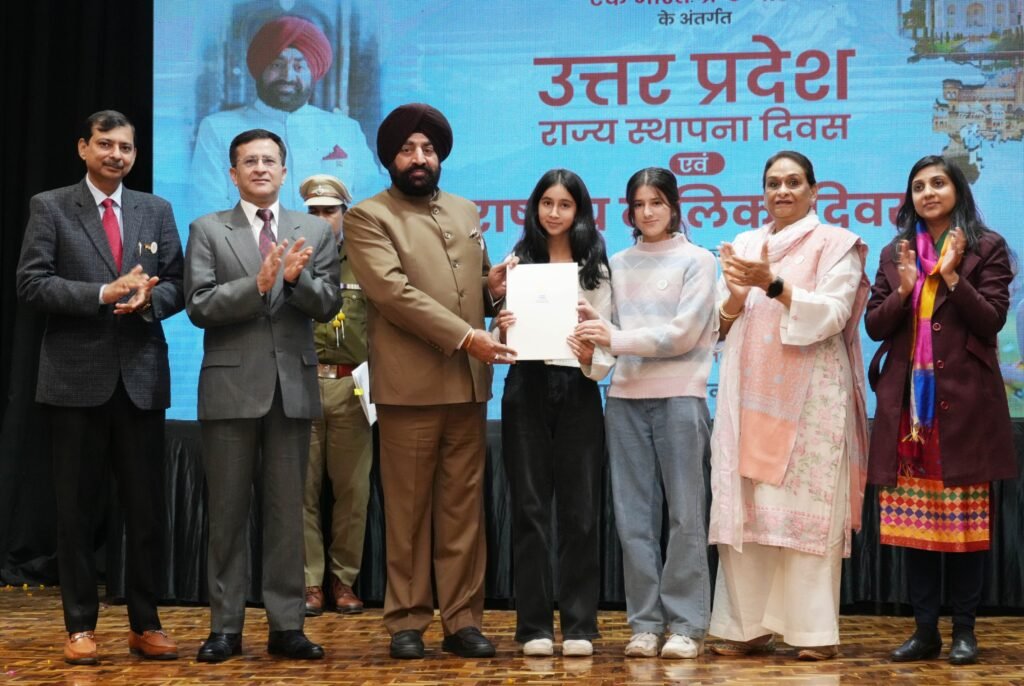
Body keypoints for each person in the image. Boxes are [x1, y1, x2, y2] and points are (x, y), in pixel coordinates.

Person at [343, 103, 516, 660]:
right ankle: (407, 621)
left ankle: (463, 620)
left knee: (463, 511)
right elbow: (393, 294)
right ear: (390, 158)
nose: (419, 158)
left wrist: (493, 290)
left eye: (428, 149)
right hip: (409, 389)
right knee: (409, 512)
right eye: (407, 149)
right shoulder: (368, 216)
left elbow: (471, 287)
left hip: (468, 386)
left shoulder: (465, 209)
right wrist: (467, 337)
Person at [16, 109, 184, 665]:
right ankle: (80, 627)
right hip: (74, 381)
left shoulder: (155, 209)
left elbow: (178, 283)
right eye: (106, 144)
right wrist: (102, 294)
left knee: (146, 512)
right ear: (83, 148)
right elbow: (31, 284)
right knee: (76, 512)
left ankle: (146, 623)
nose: (116, 155)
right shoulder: (50, 206)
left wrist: (149, 299)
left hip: (141, 378)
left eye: (126, 147)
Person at [184, 128, 342, 662]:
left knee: (286, 515)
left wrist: (294, 282)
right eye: (249, 161)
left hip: (291, 388)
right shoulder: (208, 229)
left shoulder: (313, 231)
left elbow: (328, 303)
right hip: (230, 388)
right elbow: (199, 305)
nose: (259, 168)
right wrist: (257, 284)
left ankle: (287, 626)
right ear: (233, 173)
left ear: (284, 170)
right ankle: (225, 628)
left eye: (269, 160)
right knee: (227, 515)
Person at [706, 151, 870, 661]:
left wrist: (772, 285)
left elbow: (834, 313)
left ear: (814, 191)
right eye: (773, 183)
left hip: (811, 403)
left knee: (806, 514)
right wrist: (736, 296)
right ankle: (745, 628)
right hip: (747, 396)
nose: (783, 191)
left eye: (794, 182)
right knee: (749, 515)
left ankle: (812, 633)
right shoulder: (747, 244)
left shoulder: (836, 244)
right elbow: (720, 322)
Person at [865, 155, 1016, 666]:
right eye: (918, 186)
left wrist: (951, 277)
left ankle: (964, 632)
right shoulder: (896, 253)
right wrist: (905, 289)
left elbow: (991, 320)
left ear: (957, 191)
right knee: (916, 530)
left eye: (938, 183)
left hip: (965, 408)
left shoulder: (987, 246)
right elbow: (875, 326)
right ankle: (925, 630)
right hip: (911, 415)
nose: (928, 193)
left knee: (965, 530)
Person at [575, 167, 717, 660]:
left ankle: (687, 625)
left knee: (685, 516)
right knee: (633, 520)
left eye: (657, 202)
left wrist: (614, 339)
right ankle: (645, 624)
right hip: (624, 400)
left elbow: (682, 335)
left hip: (681, 396)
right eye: (639, 204)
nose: (648, 212)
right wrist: (590, 350)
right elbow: (606, 343)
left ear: (674, 206)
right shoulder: (617, 263)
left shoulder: (699, 260)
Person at [492, 169, 612, 658]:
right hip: (526, 387)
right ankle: (534, 626)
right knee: (529, 510)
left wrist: (591, 347)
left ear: (579, 210)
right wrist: (501, 326)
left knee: (581, 512)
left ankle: (581, 625)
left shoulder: (596, 265)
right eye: (547, 203)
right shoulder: (517, 262)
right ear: (535, 207)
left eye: (565, 204)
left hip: (578, 388)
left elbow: (607, 344)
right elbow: (501, 342)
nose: (555, 213)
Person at [191, 15, 381, 214]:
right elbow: (208, 210)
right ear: (261, 68)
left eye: (299, 67)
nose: (288, 76)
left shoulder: (346, 129)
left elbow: (368, 205)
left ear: (313, 73)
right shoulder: (218, 129)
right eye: (277, 65)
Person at [297, 174, 372, 617]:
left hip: (352, 386)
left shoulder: (365, 260)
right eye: (314, 212)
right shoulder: (289, 256)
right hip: (301, 383)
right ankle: (310, 582)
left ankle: (344, 580)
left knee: (352, 492)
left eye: (330, 211)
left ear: (345, 213)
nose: (322, 219)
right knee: (300, 492)